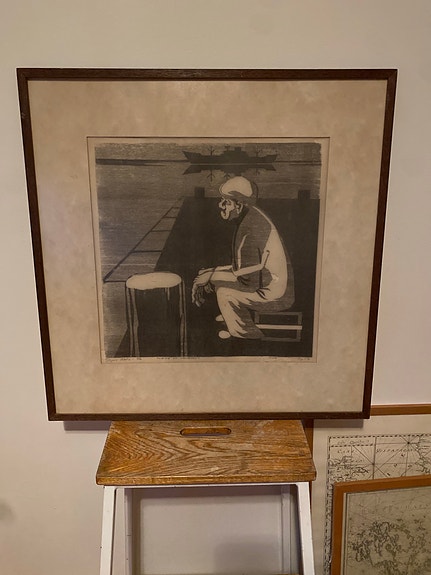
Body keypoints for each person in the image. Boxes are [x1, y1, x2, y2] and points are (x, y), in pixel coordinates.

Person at [192, 175, 295, 339]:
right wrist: (210, 273)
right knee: (212, 278)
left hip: (275, 294)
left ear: (239, 205)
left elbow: (249, 283)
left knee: (224, 293)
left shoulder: (249, 230)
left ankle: (245, 334)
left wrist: (211, 277)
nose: (220, 205)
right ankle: (232, 316)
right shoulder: (251, 217)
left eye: (226, 202)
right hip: (267, 284)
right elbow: (242, 269)